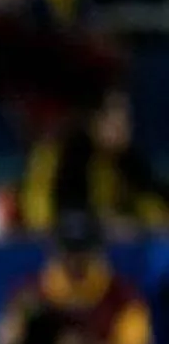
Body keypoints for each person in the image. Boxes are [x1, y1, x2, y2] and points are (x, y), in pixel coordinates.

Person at [0, 210, 154, 344]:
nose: (76, 261)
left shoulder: (123, 298)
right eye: (69, 250)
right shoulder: (32, 293)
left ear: (98, 250)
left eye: (83, 251)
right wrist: (14, 335)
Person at [19, 88, 169, 241]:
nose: (126, 127)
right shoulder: (67, 155)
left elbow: (153, 201)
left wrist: (140, 223)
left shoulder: (129, 158)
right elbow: (44, 219)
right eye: (118, 119)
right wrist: (101, 224)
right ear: (95, 121)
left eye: (128, 119)